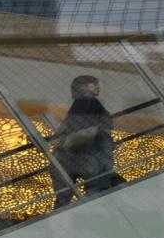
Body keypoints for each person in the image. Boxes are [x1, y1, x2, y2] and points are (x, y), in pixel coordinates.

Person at [50, 75, 125, 208]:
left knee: (64, 197)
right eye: (93, 84)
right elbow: (88, 124)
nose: (97, 87)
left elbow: (70, 125)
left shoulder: (80, 104)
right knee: (101, 177)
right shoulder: (89, 102)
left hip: (78, 153)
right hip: (92, 149)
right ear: (83, 87)